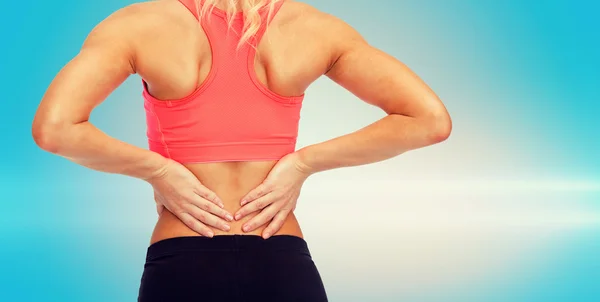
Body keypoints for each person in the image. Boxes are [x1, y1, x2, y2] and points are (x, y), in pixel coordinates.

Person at [32, 0, 452, 301]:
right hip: (280, 256)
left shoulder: (140, 24)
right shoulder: (315, 27)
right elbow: (429, 120)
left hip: (183, 257)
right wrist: (301, 163)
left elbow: (55, 129)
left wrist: (160, 171)